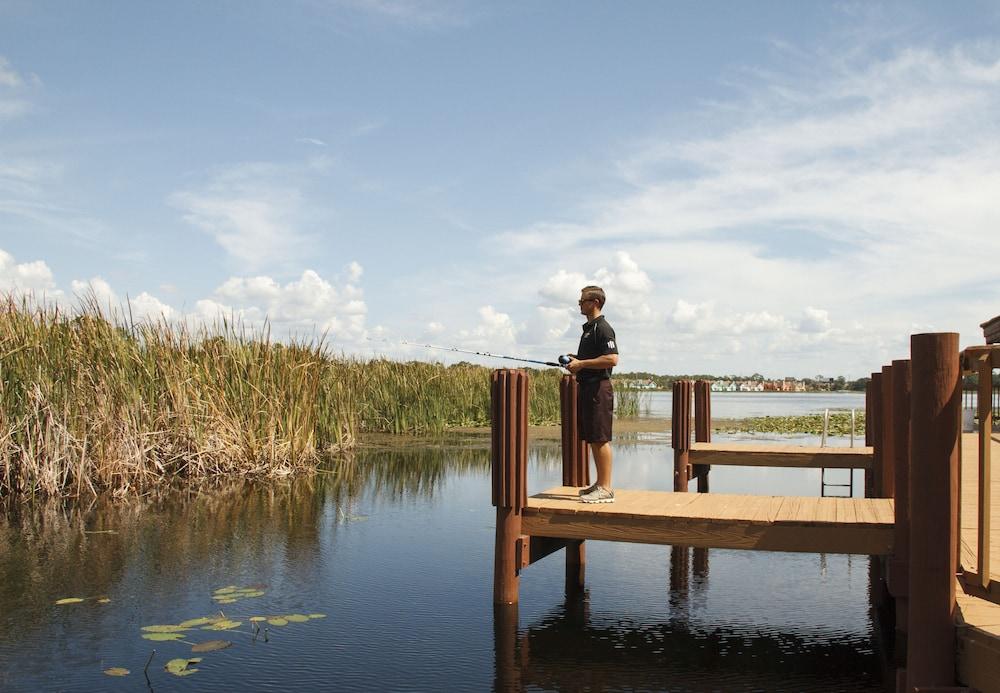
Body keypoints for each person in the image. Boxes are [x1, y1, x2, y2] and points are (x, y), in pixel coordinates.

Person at [565, 285, 618, 503]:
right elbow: (593, 359)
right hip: (587, 387)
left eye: (582, 300)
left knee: (601, 438)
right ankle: (599, 484)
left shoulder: (602, 328)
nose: (579, 304)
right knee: (593, 438)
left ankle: (606, 489)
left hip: (599, 388)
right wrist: (576, 360)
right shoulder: (588, 329)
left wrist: (582, 363)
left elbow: (612, 359)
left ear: (595, 302)